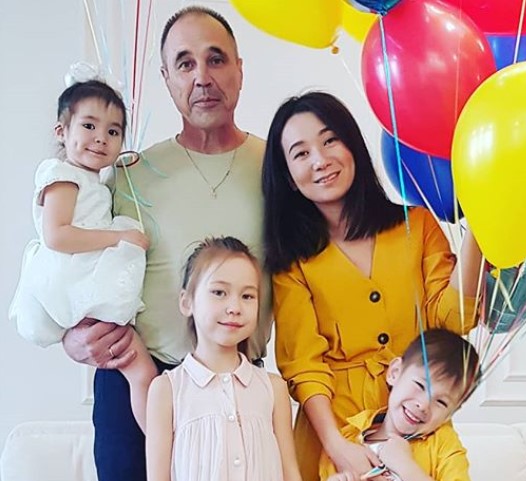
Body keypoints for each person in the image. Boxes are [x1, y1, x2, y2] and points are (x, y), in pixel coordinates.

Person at [60, 7, 273, 480]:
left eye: (216, 59)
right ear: (166, 78)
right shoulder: (129, 175)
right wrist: (70, 336)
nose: (202, 78)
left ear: (239, 69)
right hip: (135, 382)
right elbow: (68, 265)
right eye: (185, 63)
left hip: (237, 389)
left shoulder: (278, 169)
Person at [262, 91, 483, 481]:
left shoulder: (418, 226)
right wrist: (336, 445)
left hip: (413, 425)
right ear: (289, 178)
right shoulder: (291, 262)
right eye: (301, 153)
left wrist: (480, 228)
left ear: (353, 146)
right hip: (332, 432)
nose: (320, 160)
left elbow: (453, 321)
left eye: (330, 140)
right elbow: (303, 364)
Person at [8, 77, 155, 431]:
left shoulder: (95, 181)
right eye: (89, 126)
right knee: (141, 370)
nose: (101, 138)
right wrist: (118, 238)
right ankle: (161, 444)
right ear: (62, 131)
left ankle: (160, 440)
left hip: (83, 275)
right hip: (73, 279)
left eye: (113, 131)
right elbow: (57, 235)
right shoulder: (62, 175)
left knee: (140, 371)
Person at [146, 236, 301, 481]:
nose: (234, 307)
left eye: (247, 296)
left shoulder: (273, 388)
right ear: (187, 302)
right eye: (219, 292)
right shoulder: (166, 390)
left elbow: (290, 473)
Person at [321, 328, 480, 481]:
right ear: (395, 372)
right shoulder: (347, 440)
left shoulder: (444, 446)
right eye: (420, 385)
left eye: (441, 402)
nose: (423, 405)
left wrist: (406, 467)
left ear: (450, 413)